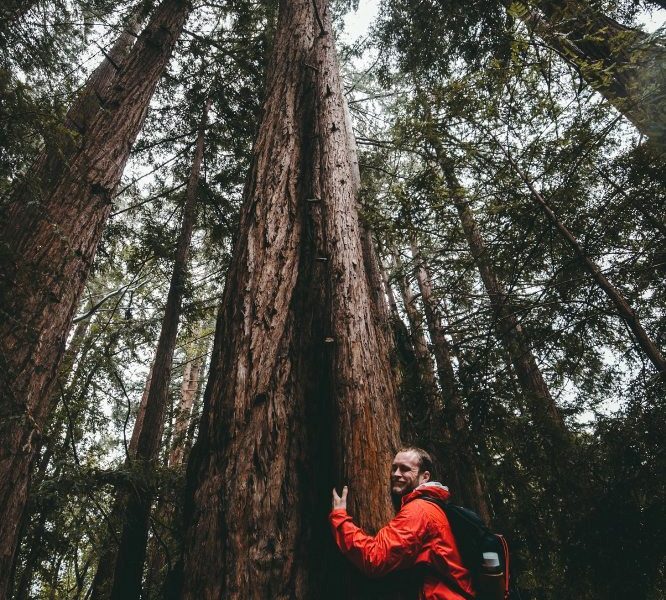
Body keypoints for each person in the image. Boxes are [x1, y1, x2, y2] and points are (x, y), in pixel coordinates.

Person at [329, 447, 475, 599]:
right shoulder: (433, 506)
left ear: (424, 477)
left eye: (405, 469)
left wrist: (340, 518)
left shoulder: (419, 510)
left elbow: (375, 559)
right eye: (394, 468)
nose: (396, 474)